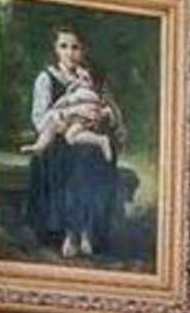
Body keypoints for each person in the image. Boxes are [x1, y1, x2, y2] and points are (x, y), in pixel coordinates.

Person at [21, 28, 133, 260]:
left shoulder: (91, 79)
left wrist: (103, 115)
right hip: (59, 143)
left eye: (75, 47)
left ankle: (87, 231)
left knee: (92, 153)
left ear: (83, 50)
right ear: (55, 49)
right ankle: (72, 232)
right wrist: (71, 113)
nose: (70, 53)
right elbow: (41, 121)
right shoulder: (47, 78)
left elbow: (112, 112)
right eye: (64, 46)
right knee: (80, 155)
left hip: (89, 139)